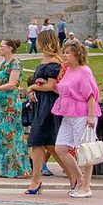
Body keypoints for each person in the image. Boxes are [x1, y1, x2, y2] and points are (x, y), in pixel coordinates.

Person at [46, 39, 99, 199]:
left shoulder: (84, 71)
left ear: (77, 55)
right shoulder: (68, 71)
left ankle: (86, 186)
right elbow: (65, 91)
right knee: (61, 148)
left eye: (67, 53)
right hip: (68, 114)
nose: (64, 56)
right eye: (64, 53)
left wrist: (90, 116)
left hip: (82, 114)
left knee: (84, 151)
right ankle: (80, 178)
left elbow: (91, 95)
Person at [0, 38, 30, 178]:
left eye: (1, 46)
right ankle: (0, 168)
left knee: (12, 135)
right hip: (2, 102)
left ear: (9, 48)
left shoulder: (15, 64)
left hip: (11, 104)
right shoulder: (3, 64)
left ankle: (20, 169)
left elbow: (12, 84)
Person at [24, 31, 63, 190]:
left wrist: (32, 86)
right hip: (41, 103)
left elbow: (52, 86)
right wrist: (34, 89)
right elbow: (43, 83)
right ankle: (36, 180)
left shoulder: (54, 61)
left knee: (49, 144)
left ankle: (74, 176)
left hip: (48, 105)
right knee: (38, 143)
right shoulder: (44, 59)